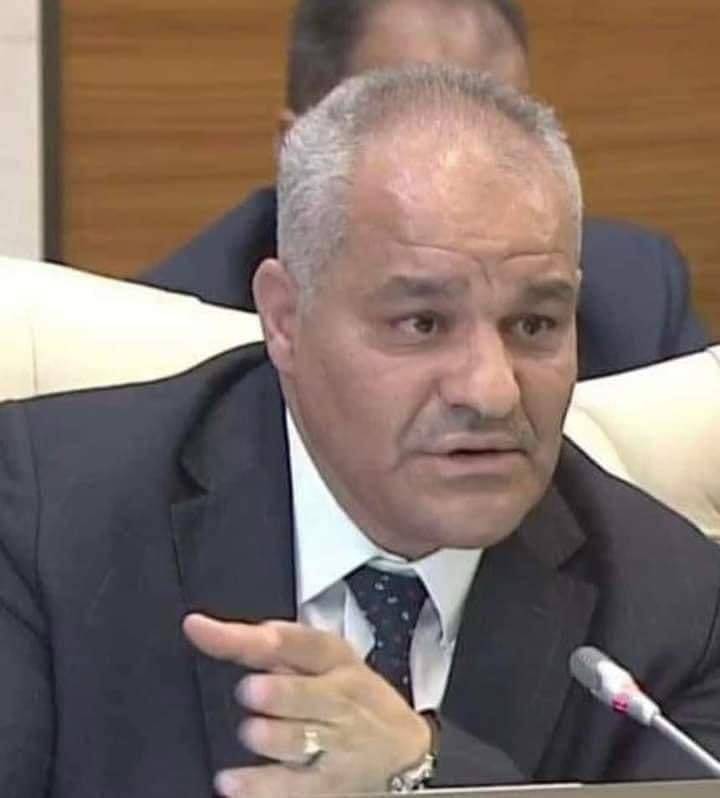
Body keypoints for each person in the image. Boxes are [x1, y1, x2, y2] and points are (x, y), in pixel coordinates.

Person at [1, 66, 719, 798]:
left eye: (534, 325)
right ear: (285, 319)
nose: (492, 391)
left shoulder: (676, 606)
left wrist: (426, 768)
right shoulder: (44, 522)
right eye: (423, 324)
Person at [139, 0, 709, 379]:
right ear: (296, 151)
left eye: (498, 135)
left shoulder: (632, 299)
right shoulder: (162, 340)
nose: (462, 173)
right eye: (417, 137)